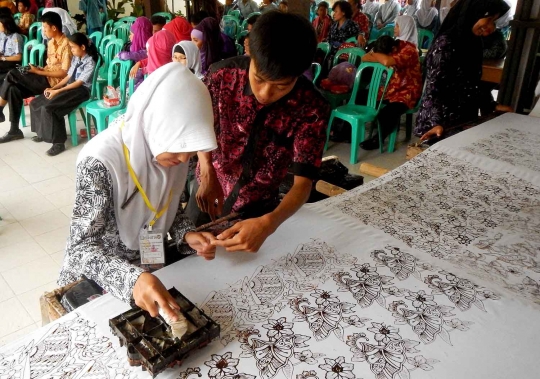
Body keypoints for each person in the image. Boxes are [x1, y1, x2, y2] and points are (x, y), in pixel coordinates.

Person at [58, 63, 218, 319]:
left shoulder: (171, 153)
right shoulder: (100, 161)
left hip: (146, 265)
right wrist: (133, 280)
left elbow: (166, 206)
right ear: (156, 124)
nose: (184, 158)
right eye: (180, 146)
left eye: (191, 149)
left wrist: (186, 234)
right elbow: (81, 248)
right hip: (98, 280)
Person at [186, 11, 329, 253]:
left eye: (281, 86)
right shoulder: (221, 76)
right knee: (194, 248)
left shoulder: (311, 107)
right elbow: (199, 124)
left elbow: (303, 183)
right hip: (209, 189)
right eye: (259, 79)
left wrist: (269, 223)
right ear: (250, 53)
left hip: (258, 208)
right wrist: (207, 168)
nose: (264, 93)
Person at [415, 0, 511, 142]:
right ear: (474, 13)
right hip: (440, 123)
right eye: (489, 19)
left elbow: (473, 83)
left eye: (494, 21)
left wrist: (491, 105)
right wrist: (436, 122)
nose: (491, 27)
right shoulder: (445, 44)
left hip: (464, 118)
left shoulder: (474, 43)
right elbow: (434, 89)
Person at [0, 12, 71, 144]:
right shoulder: (51, 43)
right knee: (13, 89)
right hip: (45, 76)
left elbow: (64, 73)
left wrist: (38, 73)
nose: (43, 31)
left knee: (12, 74)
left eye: (45, 28)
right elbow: (50, 66)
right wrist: (39, 68)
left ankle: (0, 108)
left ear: (54, 28)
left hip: (55, 83)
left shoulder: (66, 45)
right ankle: (14, 130)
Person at [359, 15, 421, 150]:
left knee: (388, 112)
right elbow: (364, 57)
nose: (395, 28)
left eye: (397, 25)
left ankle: (378, 140)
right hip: (392, 87)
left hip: (407, 91)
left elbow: (387, 61)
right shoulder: (395, 44)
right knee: (362, 96)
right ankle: (346, 132)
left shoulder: (410, 50)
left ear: (406, 27)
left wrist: (374, 54)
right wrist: (376, 55)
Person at [29, 33, 97, 156]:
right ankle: (42, 133)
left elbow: (78, 83)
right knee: (36, 102)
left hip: (82, 91)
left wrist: (58, 91)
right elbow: (69, 76)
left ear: (82, 47)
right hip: (70, 87)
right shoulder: (77, 58)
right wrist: (53, 88)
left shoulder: (90, 62)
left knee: (51, 108)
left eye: (73, 47)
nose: (71, 50)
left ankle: (58, 143)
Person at [0, 14, 23, 81]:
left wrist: (3, 58)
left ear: (5, 25)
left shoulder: (15, 37)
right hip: (3, 59)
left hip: (12, 62)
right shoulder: (2, 35)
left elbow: (18, 57)